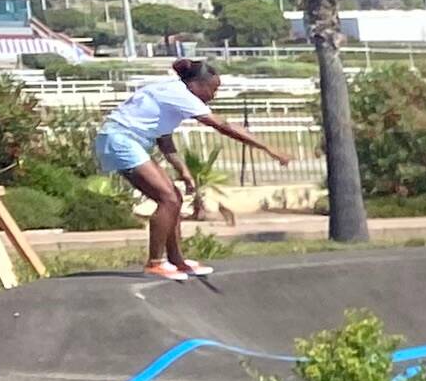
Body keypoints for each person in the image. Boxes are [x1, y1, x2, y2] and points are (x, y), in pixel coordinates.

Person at [91, 55, 283, 278]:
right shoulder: (182, 94)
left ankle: (176, 261)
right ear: (196, 84)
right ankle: (155, 262)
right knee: (168, 199)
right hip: (120, 140)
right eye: (212, 89)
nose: (213, 96)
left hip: (123, 140)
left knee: (174, 199)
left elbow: (164, 139)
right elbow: (222, 125)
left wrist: (183, 171)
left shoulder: (171, 91)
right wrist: (268, 148)